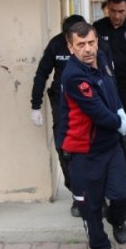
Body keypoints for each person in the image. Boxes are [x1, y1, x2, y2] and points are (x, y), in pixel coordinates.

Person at [56, 21, 126, 249]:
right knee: (90, 206)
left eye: (91, 42)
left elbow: (112, 89)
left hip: (111, 146)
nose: (87, 49)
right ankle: (101, 246)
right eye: (81, 45)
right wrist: (120, 123)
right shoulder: (74, 76)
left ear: (97, 41)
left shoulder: (101, 58)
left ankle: (117, 219)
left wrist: (121, 109)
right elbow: (97, 112)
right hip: (84, 151)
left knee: (121, 196)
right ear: (70, 47)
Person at [30, 14, 86, 217]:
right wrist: (35, 105)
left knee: (89, 148)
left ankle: (92, 193)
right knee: (65, 148)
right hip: (61, 102)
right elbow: (41, 73)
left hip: (85, 101)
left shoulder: (89, 43)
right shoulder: (56, 45)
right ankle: (76, 194)